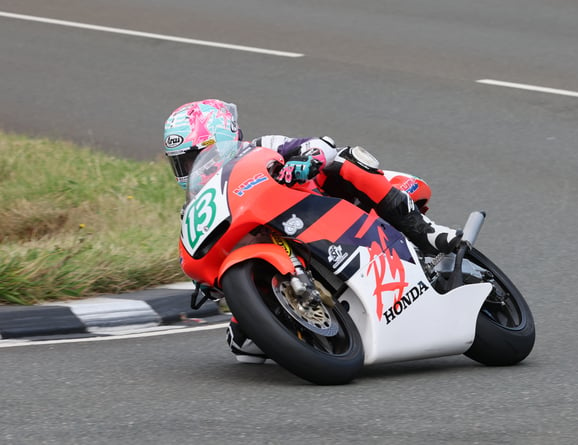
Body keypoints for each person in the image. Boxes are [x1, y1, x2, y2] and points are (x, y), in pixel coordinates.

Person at [163, 99, 462, 363]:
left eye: (193, 158)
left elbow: (322, 144)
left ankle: (427, 232)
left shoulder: (261, 147)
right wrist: (207, 281)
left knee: (345, 160)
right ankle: (305, 322)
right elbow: (196, 253)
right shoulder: (195, 207)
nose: (188, 169)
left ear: (222, 139)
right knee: (245, 348)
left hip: (323, 210)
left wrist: (307, 159)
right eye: (180, 163)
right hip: (276, 251)